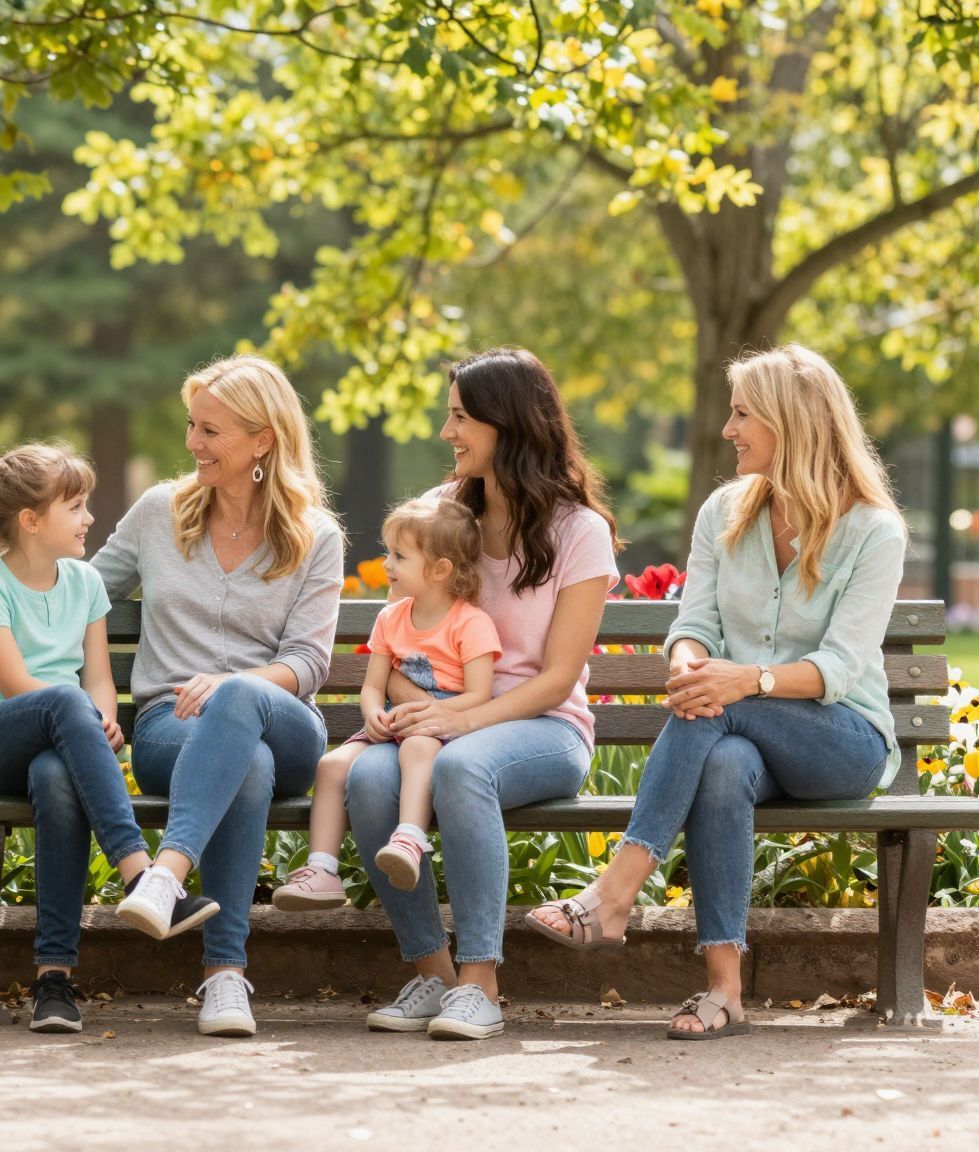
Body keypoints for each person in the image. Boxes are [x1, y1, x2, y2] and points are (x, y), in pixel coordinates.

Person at [527, 344, 904, 1040]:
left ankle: (615, 894)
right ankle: (724, 991)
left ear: (791, 423)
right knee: (722, 758)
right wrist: (693, 664)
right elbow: (693, 624)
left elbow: (841, 668)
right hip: (737, 730)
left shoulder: (872, 531)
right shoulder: (724, 512)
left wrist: (743, 680)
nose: (728, 430)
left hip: (841, 737)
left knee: (716, 712)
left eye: (742, 414)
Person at [344, 347, 619, 1042]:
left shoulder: (578, 533)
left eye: (461, 417)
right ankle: (435, 974)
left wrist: (458, 719)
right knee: (372, 777)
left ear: (510, 424)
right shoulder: (442, 517)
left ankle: (480, 982)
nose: (448, 433)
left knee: (464, 769)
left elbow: (557, 678)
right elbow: (398, 638)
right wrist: (414, 705)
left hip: (544, 727)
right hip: (439, 721)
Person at [90, 354, 344, 1037]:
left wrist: (236, 684)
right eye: (191, 426)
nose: (191, 443)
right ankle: (225, 976)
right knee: (246, 767)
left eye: (210, 430)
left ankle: (165, 876)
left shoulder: (315, 536)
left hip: (286, 725)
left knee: (245, 720)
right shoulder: (158, 514)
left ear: (262, 439)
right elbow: (81, 595)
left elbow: (308, 662)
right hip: (172, 727)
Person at [0, 442, 217, 1034]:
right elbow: (17, 686)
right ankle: (143, 877)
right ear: (31, 522)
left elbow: (97, 679)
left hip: (51, 745)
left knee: (55, 779)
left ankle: (53, 981)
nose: (90, 519)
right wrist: (85, 715)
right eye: (76, 507)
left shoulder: (86, 583)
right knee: (62, 703)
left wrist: (100, 715)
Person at [276, 497, 498, 907]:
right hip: (393, 721)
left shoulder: (471, 623)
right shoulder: (391, 618)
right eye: (388, 552)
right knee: (331, 765)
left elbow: (479, 694)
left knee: (417, 746)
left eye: (398, 556)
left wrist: (439, 714)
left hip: (442, 725)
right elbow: (374, 685)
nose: (386, 564)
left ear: (439, 569)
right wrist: (372, 713)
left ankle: (410, 839)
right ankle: (322, 869)